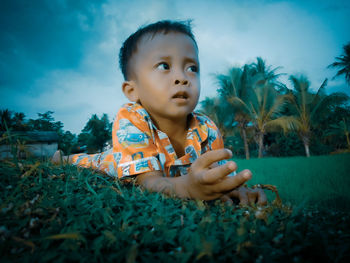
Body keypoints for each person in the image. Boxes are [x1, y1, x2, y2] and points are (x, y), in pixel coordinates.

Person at [53, 20, 266, 205]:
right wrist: (189, 189)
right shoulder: (132, 118)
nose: (182, 77)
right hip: (118, 161)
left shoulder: (207, 128)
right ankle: (62, 159)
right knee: (93, 162)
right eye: (164, 66)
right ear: (132, 90)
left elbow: (215, 177)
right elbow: (148, 183)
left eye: (192, 68)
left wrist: (233, 188)